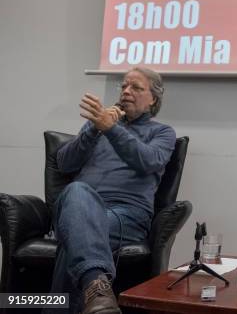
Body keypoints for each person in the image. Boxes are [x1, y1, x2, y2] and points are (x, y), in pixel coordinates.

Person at [48, 68, 176, 314]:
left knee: (75, 234)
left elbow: (148, 160)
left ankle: (87, 294)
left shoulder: (161, 133)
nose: (126, 91)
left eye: (136, 88)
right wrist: (94, 129)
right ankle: (97, 290)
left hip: (125, 215)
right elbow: (64, 163)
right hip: (79, 205)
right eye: (124, 86)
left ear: (153, 100)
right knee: (77, 193)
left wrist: (111, 129)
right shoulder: (96, 126)